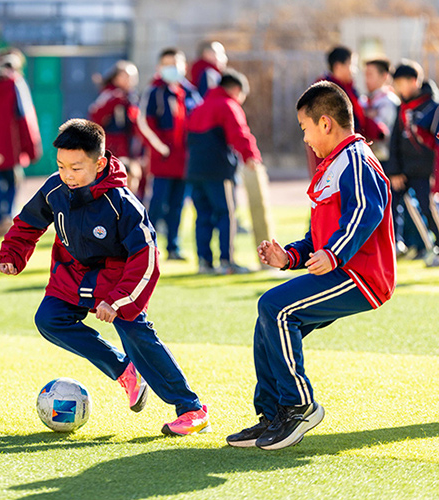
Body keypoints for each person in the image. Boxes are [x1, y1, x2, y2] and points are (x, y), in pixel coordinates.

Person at [0, 119, 209, 437]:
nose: (68, 175)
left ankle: (191, 409)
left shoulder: (123, 204)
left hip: (117, 279)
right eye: (61, 166)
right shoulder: (55, 189)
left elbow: (147, 258)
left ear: (99, 163)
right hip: (72, 273)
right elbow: (28, 223)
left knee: (136, 333)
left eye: (76, 168)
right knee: (49, 319)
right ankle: (124, 370)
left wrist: (118, 301)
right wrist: (12, 255)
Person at [227, 81, 395, 450]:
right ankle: (271, 414)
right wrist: (289, 257)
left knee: (275, 308)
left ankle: (299, 406)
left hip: (361, 276)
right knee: (268, 320)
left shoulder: (356, 159)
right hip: (340, 269)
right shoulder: (332, 165)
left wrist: (334, 254)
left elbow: (367, 211)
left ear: (325, 123)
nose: (304, 138)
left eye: (304, 128)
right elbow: (317, 235)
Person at [186, 70, 262, 275]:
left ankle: (204, 262)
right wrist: (251, 156)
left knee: (202, 216)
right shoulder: (228, 105)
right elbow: (240, 133)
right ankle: (227, 261)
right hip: (218, 169)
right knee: (225, 214)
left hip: (195, 169)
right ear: (236, 90)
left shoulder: (200, 106)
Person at [137, 48, 202, 261]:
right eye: (167, 64)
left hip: (185, 160)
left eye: (176, 64)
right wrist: (161, 147)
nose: (172, 68)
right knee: (157, 204)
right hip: (163, 160)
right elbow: (144, 122)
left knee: (178, 205)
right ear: (159, 67)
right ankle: (146, 247)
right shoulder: (154, 91)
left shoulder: (190, 92)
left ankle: (173, 247)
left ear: (184, 66)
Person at [0, 50, 42, 236]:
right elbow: (24, 115)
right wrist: (31, 146)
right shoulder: (15, 83)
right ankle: (8, 214)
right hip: (11, 143)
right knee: (14, 181)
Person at [387, 60, 439, 258]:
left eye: (402, 83)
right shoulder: (402, 108)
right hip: (405, 171)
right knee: (394, 204)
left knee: (429, 209)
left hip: (427, 172)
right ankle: (399, 245)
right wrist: (395, 171)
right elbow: (395, 141)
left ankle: (437, 246)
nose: (399, 88)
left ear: (414, 81)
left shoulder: (433, 107)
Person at [305, 46, 383, 177]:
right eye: (351, 65)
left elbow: (358, 117)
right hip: (332, 156)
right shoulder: (324, 92)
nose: (354, 70)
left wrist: (378, 132)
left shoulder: (348, 89)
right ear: (338, 66)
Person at [88, 60, 143, 198]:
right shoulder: (110, 95)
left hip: (129, 144)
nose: (130, 80)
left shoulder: (131, 97)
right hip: (112, 145)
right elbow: (95, 117)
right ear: (116, 77)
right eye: (126, 76)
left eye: (132, 77)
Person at [362, 58, 400, 168]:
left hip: (384, 160)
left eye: (370, 75)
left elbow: (385, 133)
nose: (366, 79)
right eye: (365, 75)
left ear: (384, 76)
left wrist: (366, 118)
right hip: (367, 159)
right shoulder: (364, 100)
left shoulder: (390, 101)